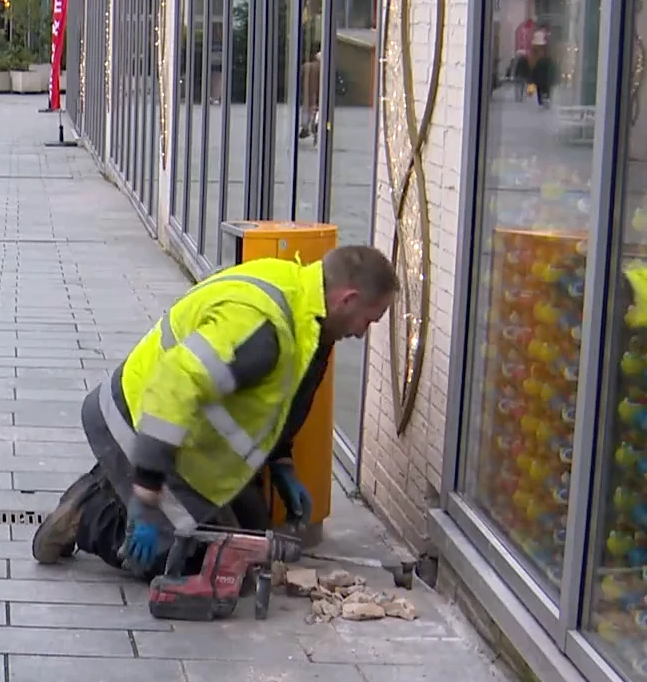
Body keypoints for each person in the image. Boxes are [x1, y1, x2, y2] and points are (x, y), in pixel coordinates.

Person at [32, 245, 398, 579]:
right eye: (369, 320)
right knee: (194, 563)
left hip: (183, 440)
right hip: (136, 424)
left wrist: (283, 464)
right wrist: (146, 498)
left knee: (251, 550)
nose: (363, 334)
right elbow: (173, 389)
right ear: (347, 299)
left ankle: (118, 486)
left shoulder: (308, 316)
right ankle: (87, 514)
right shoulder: (263, 329)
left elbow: (279, 403)